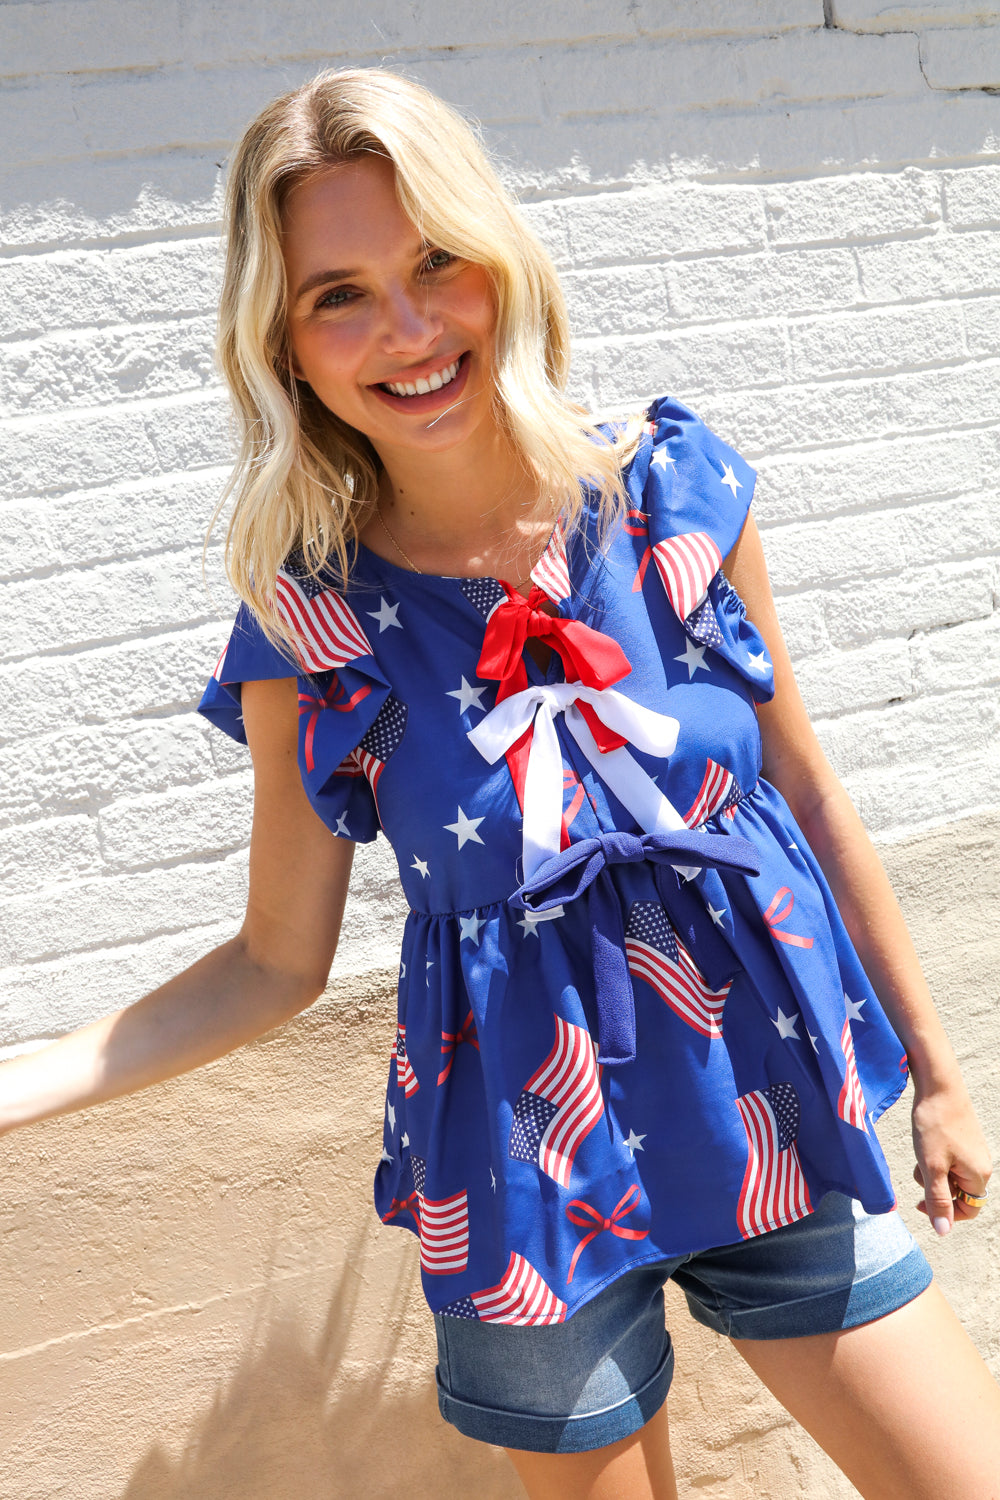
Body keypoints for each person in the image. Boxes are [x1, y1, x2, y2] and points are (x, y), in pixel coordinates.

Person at [2, 66, 998, 1500]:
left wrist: (946, 1074)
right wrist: (24, 1085)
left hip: (764, 1101)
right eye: (336, 295)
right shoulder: (319, 627)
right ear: (279, 347)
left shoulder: (676, 501)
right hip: (528, 1174)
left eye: (434, 266)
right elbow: (275, 963)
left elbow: (806, 786)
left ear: (500, 265)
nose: (407, 329)